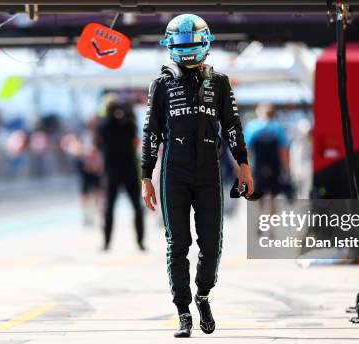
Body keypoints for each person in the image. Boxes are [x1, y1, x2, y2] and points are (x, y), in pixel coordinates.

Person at [141, 14, 254, 338]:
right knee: (177, 244)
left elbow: (232, 126)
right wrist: (146, 177)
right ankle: (183, 311)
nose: (187, 49)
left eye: (192, 43)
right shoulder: (160, 86)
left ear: (205, 44)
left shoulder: (219, 82)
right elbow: (151, 134)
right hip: (173, 176)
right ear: (170, 46)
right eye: (181, 44)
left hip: (208, 175)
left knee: (212, 244)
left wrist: (243, 165)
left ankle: (203, 295)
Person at [96, 99, 144, 251]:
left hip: (111, 171)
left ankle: (106, 242)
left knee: (109, 208)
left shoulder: (102, 127)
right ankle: (140, 242)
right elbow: (136, 143)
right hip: (129, 168)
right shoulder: (129, 125)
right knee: (137, 207)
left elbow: (98, 145)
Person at [244, 103, 291, 214]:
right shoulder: (278, 129)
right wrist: (287, 169)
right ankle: (270, 220)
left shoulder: (252, 127)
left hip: (258, 166)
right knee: (273, 195)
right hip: (274, 166)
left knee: (258, 193)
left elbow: (246, 151)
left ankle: (260, 217)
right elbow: (283, 152)